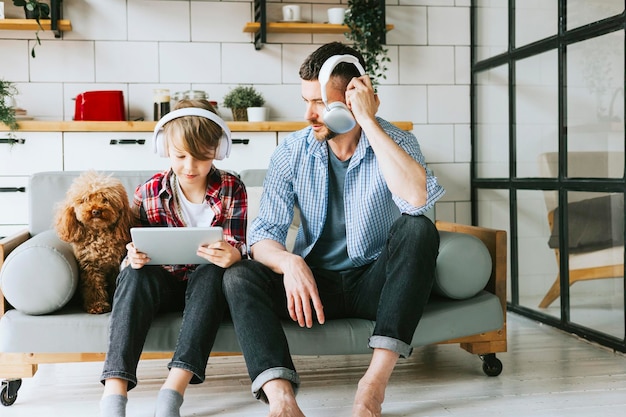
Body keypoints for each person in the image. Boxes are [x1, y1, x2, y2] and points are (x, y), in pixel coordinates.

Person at [223, 41, 445, 417]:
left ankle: (372, 386)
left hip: (373, 281)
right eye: (306, 100)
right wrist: (290, 263)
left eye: (321, 103)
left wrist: (370, 123)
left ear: (352, 101)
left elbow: (417, 202)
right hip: (314, 286)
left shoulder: (399, 142)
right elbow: (262, 235)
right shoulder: (291, 152)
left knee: (419, 230)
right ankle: (281, 400)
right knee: (240, 275)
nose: (309, 113)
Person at [99, 99, 247, 417]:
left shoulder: (232, 187)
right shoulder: (148, 191)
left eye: (202, 157)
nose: (190, 167)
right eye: (180, 156)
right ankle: (114, 396)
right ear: (165, 149)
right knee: (134, 273)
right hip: (161, 286)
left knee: (213, 272)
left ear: (217, 151)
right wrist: (132, 257)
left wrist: (233, 254)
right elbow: (131, 245)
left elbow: (240, 243)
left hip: (207, 292)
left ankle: (171, 392)